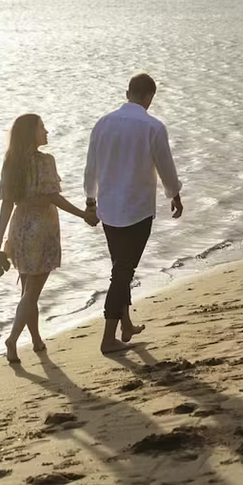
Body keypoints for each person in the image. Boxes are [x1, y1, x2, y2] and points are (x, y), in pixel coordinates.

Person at [83, 73, 183, 355]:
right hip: (138, 210)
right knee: (123, 271)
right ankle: (107, 338)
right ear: (149, 97)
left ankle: (125, 325)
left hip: (109, 208)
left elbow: (92, 166)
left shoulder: (103, 124)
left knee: (120, 267)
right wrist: (174, 194)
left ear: (128, 93)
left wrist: (90, 200)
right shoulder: (153, 126)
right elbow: (165, 166)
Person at [0, 113, 96, 363]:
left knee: (28, 291)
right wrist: (83, 214)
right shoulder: (45, 161)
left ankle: (36, 340)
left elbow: (6, 204)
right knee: (32, 293)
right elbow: (53, 197)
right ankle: (12, 339)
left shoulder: (11, 163)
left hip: (19, 227)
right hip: (42, 229)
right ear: (32, 133)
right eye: (42, 128)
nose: (46, 131)